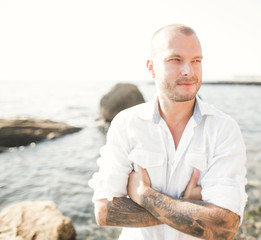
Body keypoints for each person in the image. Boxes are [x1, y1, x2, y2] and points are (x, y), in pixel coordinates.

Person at [88, 24, 247, 240]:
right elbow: (105, 212)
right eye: (175, 59)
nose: (188, 71)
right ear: (151, 67)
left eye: (196, 61)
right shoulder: (126, 124)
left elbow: (224, 227)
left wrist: (144, 195)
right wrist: (192, 207)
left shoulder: (223, 129)